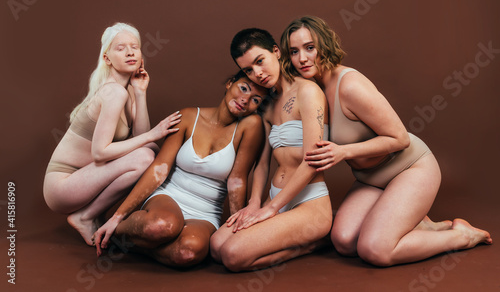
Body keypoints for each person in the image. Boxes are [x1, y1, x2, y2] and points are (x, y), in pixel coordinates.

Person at [280, 15, 492, 266]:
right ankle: (427, 226)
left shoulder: (349, 86)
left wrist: (344, 152)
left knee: (375, 250)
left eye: (310, 48)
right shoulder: (311, 89)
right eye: (294, 51)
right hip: (370, 179)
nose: (302, 58)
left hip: (410, 168)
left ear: (324, 45)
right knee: (344, 241)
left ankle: (461, 236)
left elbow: (399, 138)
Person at [92, 71, 269, 268]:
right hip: (169, 198)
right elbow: (159, 169)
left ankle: (136, 245)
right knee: (162, 226)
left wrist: (235, 231)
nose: (245, 100)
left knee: (188, 252)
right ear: (229, 83)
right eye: (243, 88)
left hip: (206, 212)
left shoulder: (251, 126)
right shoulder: (188, 116)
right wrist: (119, 216)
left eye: (255, 99)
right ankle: (116, 231)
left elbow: (237, 180)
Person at [43, 22, 181, 246]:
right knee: (146, 155)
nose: (129, 52)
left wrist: (140, 92)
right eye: (120, 48)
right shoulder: (113, 92)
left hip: (84, 179)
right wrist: (153, 135)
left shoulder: (125, 91)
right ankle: (84, 216)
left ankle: (92, 214)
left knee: (149, 151)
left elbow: (141, 136)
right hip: (63, 185)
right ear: (107, 58)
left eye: (134, 47)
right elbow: (100, 153)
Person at [210, 28, 333, 272]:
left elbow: (312, 161)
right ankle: (294, 232)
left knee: (233, 256)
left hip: (309, 203)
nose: (257, 74)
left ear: (276, 52)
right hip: (274, 197)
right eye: (248, 70)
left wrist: (271, 209)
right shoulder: (267, 106)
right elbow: (263, 164)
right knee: (216, 246)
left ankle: (313, 243)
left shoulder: (307, 92)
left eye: (259, 61)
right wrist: (255, 203)